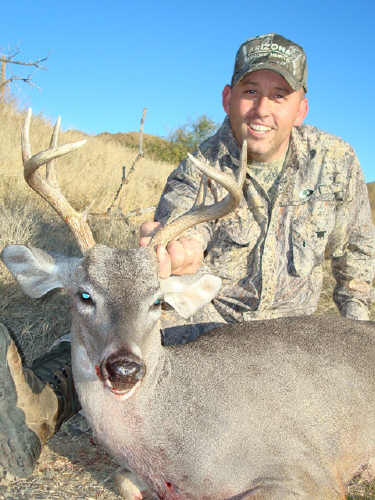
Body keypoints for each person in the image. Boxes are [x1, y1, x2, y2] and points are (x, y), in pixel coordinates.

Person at [0, 33, 374, 478]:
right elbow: (167, 246)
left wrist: (357, 336)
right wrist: (173, 257)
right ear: (228, 97)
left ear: (301, 108)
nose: (262, 109)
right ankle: (42, 403)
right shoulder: (197, 169)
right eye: (251, 91)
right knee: (124, 314)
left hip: (292, 336)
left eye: (279, 95)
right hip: (210, 324)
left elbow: (357, 256)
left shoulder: (335, 161)